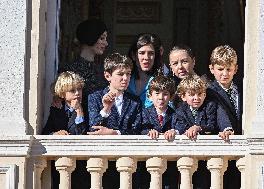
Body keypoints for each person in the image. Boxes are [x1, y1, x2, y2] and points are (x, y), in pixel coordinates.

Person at [87, 53, 142, 189]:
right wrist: (106, 109)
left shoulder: (135, 101)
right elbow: (93, 128)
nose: (125, 78)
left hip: (128, 161)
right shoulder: (95, 97)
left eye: (128, 74)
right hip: (102, 161)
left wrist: (115, 133)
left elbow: (138, 130)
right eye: (120, 74)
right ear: (108, 76)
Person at [41, 71, 88, 189]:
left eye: (79, 89)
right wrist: (55, 134)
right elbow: (46, 132)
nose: (77, 93)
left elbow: (81, 134)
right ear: (62, 94)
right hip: (61, 164)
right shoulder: (57, 110)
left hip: (82, 165)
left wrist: (79, 114)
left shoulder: (87, 107)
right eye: (73, 90)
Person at [207, 45, 242, 189]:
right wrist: (226, 128)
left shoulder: (242, 88)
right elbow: (218, 112)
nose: (225, 73)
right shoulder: (209, 92)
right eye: (220, 69)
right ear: (212, 69)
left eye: (229, 69)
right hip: (222, 146)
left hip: (241, 147)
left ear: (236, 69)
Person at [59, 18, 109, 114]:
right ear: (91, 37)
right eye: (102, 38)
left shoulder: (103, 71)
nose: (106, 43)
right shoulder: (69, 70)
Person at [140, 75, 179, 189]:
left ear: (171, 96)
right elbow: (139, 127)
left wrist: (174, 131)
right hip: (148, 162)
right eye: (157, 93)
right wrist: (147, 131)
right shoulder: (144, 113)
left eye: (165, 94)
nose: (161, 97)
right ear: (150, 96)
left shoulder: (175, 114)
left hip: (169, 163)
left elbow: (180, 126)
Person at [173, 74, 218, 138]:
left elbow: (212, 126)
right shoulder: (181, 110)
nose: (196, 98)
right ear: (183, 97)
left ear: (204, 95)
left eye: (199, 94)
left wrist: (199, 128)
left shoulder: (210, 106)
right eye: (192, 94)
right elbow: (181, 127)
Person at [127, 33, 162, 108]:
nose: (146, 57)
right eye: (142, 53)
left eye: (151, 53)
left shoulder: (162, 83)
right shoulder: (125, 81)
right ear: (133, 55)